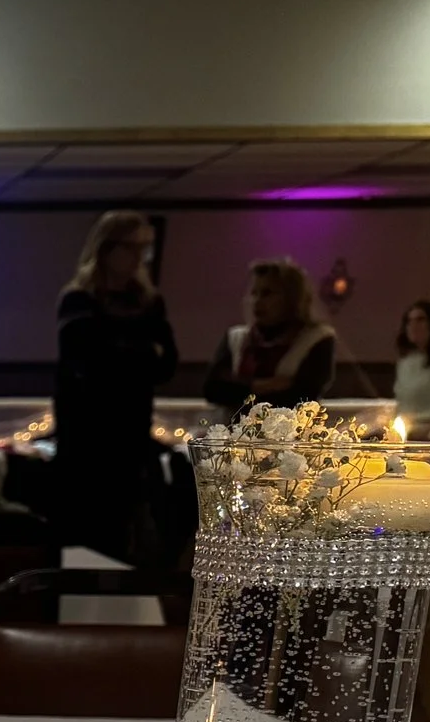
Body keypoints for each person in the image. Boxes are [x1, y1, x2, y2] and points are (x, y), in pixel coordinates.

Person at [51, 210, 179, 561]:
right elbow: (89, 363)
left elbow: (165, 363)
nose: (141, 258)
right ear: (108, 249)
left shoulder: (149, 302)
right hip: (86, 438)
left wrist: (123, 353)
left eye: (146, 249)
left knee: (128, 534)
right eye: (133, 248)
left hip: (131, 433)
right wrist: (136, 354)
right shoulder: (79, 300)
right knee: (83, 533)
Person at [204, 260, 336, 411]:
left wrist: (239, 387)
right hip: (234, 431)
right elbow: (212, 390)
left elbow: (303, 396)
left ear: (292, 298)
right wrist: (260, 385)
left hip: (290, 432)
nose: (258, 301)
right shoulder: (236, 338)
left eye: (267, 293)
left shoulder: (316, 338)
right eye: (254, 293)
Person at [393, 299, 430, 437]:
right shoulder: (406, 362)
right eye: (409, 321)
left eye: (420, 320)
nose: (413, 326)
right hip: (406, 431)